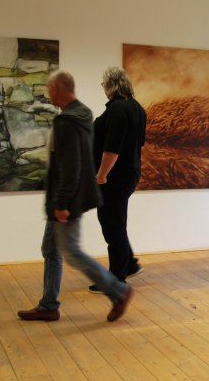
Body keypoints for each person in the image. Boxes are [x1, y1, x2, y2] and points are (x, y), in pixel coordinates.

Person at [18, 70, 133, 322]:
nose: (48, 95)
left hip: (67, 199)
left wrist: (61, 203)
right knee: (51, 248)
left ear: (58, 89)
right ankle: (49, 304)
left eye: (50, 90)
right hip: (73, 195)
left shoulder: (66, 123)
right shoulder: (83, 114)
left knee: (70, 251)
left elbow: (70, 166)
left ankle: (118, 290)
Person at [88, 67, 147, 294]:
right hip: (129, 173)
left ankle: (116, 279)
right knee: (116, 220)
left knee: (111, 223)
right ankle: (128, 263)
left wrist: (101, 174)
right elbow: (137, 144)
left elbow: (113, 148)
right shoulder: (138, 109)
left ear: (112, 84)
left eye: (103, 84)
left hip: (113, 177)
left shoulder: (117, 110)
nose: (102, 87)